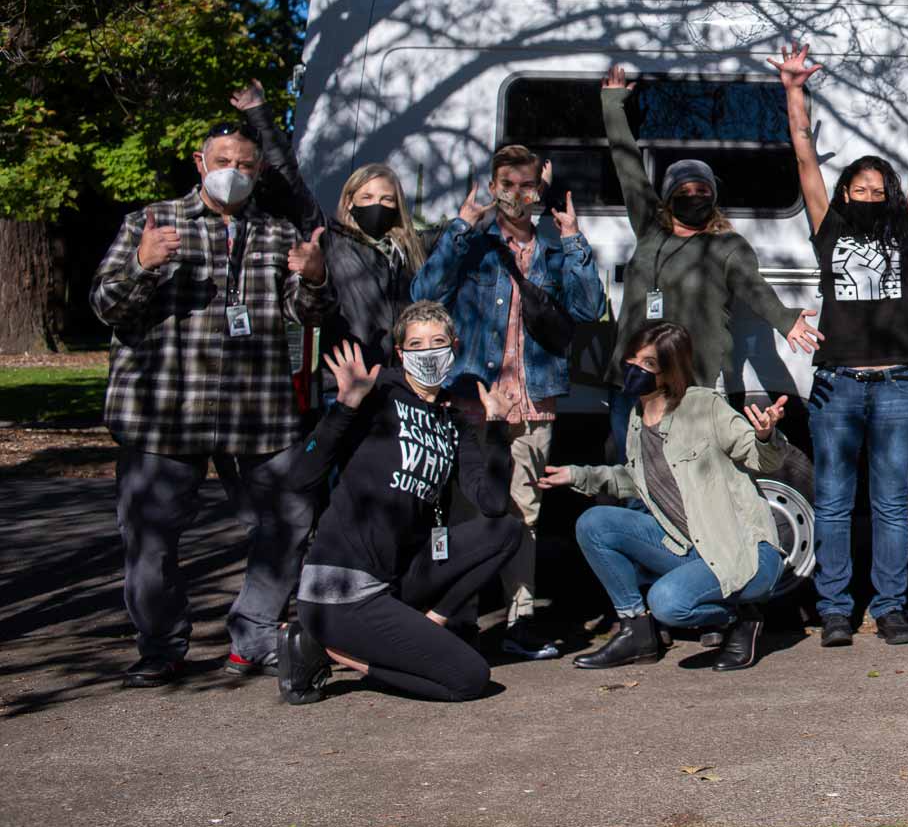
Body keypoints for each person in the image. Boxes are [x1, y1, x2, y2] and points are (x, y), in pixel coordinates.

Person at [90, 120, 333, 686]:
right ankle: (161, 647)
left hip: (259, 414)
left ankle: (253, 635)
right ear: (201, 164)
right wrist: (142, 265)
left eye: (245, 164)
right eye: (223, 160)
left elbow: (310, 319)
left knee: (289, 520)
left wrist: (316, 280)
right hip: (164, 414)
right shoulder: (149, 223)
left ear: (259, 170)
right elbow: (105, 306)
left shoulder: (277, 233)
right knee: (150, 540)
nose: (233, 172)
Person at [776, 41, 908, 646]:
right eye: (861, 189)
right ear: (845, 193)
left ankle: (891, 608)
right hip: (838, 386)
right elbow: (803, 159)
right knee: (832, 505)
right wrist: (795, 89)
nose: (870, 197)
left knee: (891, 507)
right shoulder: (830, 229)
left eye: (880, 190)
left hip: (899, 382)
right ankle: (834, 611)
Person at [412, 143, 605, 660]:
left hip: (534, 402)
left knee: (525, 514)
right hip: (474, 401)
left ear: (538, 190)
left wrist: (572, 238)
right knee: (467, 514)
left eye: (527, 186)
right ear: (493, 186)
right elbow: (422, 295)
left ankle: (521, 622)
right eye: (508, 185)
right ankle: (459, 621)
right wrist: (459, 229)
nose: (517, 195)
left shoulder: (552, 249)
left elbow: (589, 308)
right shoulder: (471, 246)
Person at [278, 307, 524, 703]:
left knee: (507, 529)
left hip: (397, 577)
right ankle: (323, 649)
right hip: (341, 591)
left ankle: (429, 623)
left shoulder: (452, 419)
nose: (427, 352)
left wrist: (495, 427)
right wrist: (345, 406)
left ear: (453, 347)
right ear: (399, 352)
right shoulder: (377, 395)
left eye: (437, 343)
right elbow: (300, 477)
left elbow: (492, 504)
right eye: (416, 344)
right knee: (470, 678)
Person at [538, 322, 790, 673]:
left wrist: (765, 435)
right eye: (633, 360)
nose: (635, 370)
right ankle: (636, 631)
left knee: (667, 603)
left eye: (649, 365)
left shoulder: (704, 406)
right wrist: (579, 476)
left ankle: (742, 618)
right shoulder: (637, 417)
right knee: (594, 523)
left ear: (670, 371)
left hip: (743, 552)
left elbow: (761, 458)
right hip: (689, 548)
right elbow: (636, 480)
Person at [598, 65, 819, 461]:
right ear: (669, 197)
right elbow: (627, 165)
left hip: (690, 383)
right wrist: (613, 105)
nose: (694, 196)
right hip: (633, 378)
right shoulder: (650, 229)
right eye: (684, 190)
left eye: (702, 190)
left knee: (683, 476)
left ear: (713, 197)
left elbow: (754, 288)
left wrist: (785, 319)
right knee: (631, 471)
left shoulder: (726, 246)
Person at [229, 81, 435, 378]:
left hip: (400, 383)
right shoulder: (329, 237)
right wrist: (258, 113)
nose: (377, 205)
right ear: (349, 202)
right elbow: (289, 183)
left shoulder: (411, 248)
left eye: (386, 199)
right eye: (367, 198)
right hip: (344, 382)